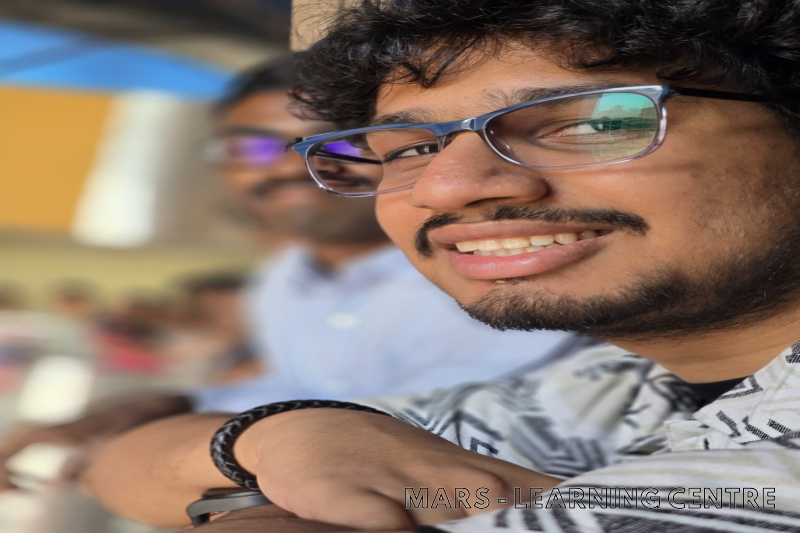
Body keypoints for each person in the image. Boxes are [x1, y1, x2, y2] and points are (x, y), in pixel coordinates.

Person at [80, 0, 800, 531]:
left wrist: (265, 490)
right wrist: (276, 437)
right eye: (411, 148)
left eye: (590, 121)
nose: (445, 187)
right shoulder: (617, 386)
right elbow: (123, 465)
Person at [0, 55, 575, 490]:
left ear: (402, 146)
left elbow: (419, 440)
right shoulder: (285, 283)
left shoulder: (494, 262)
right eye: (251, 150)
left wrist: (160, 459)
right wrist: (136, 414)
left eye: (336, 143)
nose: (289, 168)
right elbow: (299, 393)